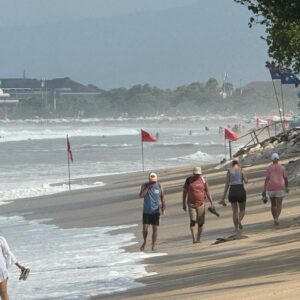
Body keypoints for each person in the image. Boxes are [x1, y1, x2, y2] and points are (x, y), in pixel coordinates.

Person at [182, 167, 215, 243]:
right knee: (193, 220)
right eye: (196, 174)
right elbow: (184, 192)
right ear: (194, 173)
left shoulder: (203, 180)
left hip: (201, 204)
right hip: (191, 204)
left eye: (199, 174)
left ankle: (198, 238)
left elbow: (207, 192)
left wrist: (212, 203)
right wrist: (183, 203)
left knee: (200, 223)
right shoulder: (188, 180)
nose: (197, 175)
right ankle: (194, 239)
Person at [220, 159, 248, 233]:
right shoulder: (241, 170)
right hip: (240, 189)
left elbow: (227, 185)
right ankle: (239, 221)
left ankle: (236, 228)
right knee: (242, 210)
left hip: (232, 190)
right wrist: (243, 176)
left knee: (235, 211)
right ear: (238, 164)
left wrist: (223, 198)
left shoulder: (229, 171)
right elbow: (246, 181)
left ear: (232, 164)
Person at [139, 172, 165, 251]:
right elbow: (141, 195)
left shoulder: (159, 186)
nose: (153, 182)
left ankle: (153, 245)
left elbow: (162, 197)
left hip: (156, 211)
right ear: (149, 180)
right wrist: (148, 188)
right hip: (146, 211)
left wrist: (163, 206)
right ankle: (145, 241)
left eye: (154, 181)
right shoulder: (144, 185)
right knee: (144, 229)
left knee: (155, 229)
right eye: (151, 181)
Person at [0, 236, 30, 300]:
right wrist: (19, 266)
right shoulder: (1, 239)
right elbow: (8, 253)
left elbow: (8, 254)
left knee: (3, 294)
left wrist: (19, 266)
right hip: (1, 271)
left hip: (1, 271)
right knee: (3, 294)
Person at [263, 153, 288, 226]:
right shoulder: (282, 168)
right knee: (279, 205)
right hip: (280, 188)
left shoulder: (268, 168)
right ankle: (276, 218)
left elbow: (267, 179)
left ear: (272, 159)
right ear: (278, 159)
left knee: (273, 205)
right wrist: (286, 187)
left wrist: (264, 190)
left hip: (271, 188)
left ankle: (275, 218)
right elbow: (286, 178)